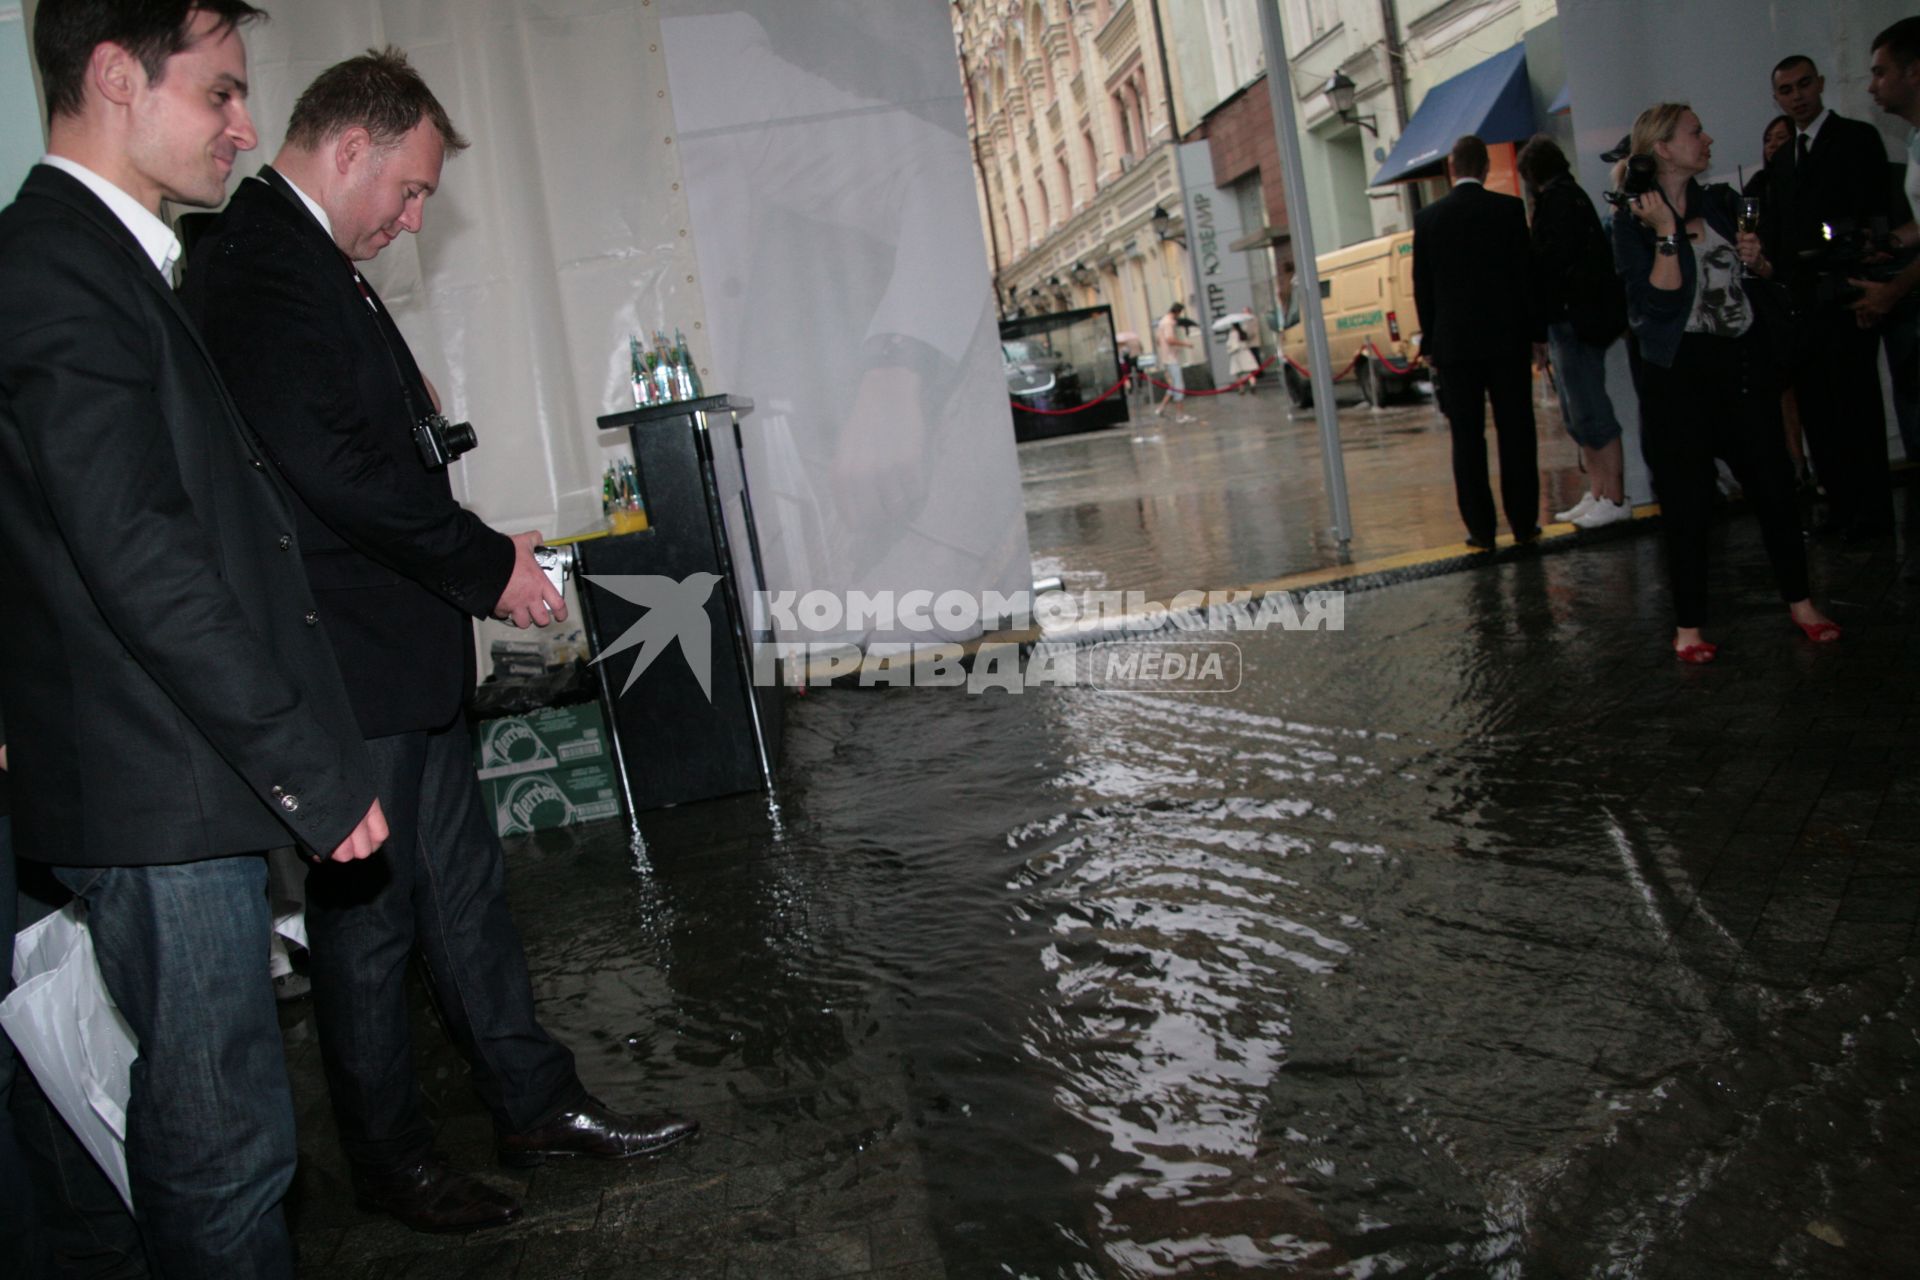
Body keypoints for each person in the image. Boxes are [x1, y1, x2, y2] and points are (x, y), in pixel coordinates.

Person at [180, 48, 696, 1236]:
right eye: (408, 191)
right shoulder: (259, 261)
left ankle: (534, 1099)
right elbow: (333, 470)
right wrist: (483, 565)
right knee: (372, 930)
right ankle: (394, 1162)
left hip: (395, 658)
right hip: (348, 667)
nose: (413, 221)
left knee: (463, 899)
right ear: (348, 146)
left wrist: (467, 546)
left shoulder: (304, 259)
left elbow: (373, 453)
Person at [0, 2, 392, 1274]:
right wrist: (307, 768)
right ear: (116, 76)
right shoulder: (54, 268)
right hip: (156, 794)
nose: (243, 125)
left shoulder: (108, 260)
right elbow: (139, 556)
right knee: (224, 1159)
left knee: (199, 1148)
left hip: (168, 781)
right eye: (220, 92)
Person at [1612, 102, 1841, 663]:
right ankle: (1688, 627)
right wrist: (1666, 233)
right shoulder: (1631, 219)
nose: (1707, 138)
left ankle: (1802, 604)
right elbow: (1654, 307)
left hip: (1741, 367)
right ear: (1663, 148)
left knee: (1774, 491)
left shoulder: (1720, 203)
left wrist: (1758, 261)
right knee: (1688, 507)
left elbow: (1762, 278)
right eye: (1695, 132)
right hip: (1678, 379)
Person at [1763, 54, 1898, 541]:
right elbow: (1778, 234)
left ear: (1819, 84)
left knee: (1857, 409)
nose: (1797, 96)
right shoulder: (1782, 158)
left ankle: (1872, 515)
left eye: (1803, 85)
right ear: (1776, 97)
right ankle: (1841, 509)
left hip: (1847, 292)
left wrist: (1855, 261)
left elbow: (1876, 214)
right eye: (1786, 90)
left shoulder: (1857, 139)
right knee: (1819, 414)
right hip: (1803, 304)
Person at [1412, 134, 1543, 550]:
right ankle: (1524, 522)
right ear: (1485, 168)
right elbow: (1526, 278)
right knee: (1516, 432)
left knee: (1467, 439)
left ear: (1452, 170)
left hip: (1455, 346)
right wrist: (1537, 334)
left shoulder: (1429, 219)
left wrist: (1430, 340)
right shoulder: (1508, 210)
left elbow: (1423, 286)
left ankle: (1481, 529)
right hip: (1506, 340)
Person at [1517, 134, 1631, 529]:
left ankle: (1611, 495)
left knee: (1588, 411)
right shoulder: (1573, 199)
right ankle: (1602, 492)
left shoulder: (1557, 205)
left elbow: (1548, 266)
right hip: (1577, 319)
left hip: (1573, 320)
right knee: (1581, 411)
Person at [1744, 115, 1812, 487]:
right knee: (1783, 392)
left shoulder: (1801, 185)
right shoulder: (1758, 187)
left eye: (1781, 138)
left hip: (1798, 292)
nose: (1773, 145)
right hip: (1771, 302)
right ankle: (1796, 465)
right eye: (1768, 138)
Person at [1154, 301, 1198, 422]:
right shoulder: (1168, 323)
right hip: (1171, 358)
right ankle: (1180, 415)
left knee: (1173, 385)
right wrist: (1186, 344)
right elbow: (1170, 340)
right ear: (1178, 312)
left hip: (1166, 357)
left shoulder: (1162, 321)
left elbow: (1158, 340)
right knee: (1178, 385)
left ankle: (1161, 408)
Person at [1226, 321, 1260, 394]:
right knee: (1249, 372)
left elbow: (1234, 345)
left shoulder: (1233, 333)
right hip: (1246, 353)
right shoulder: (1242, 332)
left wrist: (1229, 349)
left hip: (1237, 355)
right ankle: (1252, 385)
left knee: (1238, 374)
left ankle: (1241, 389)